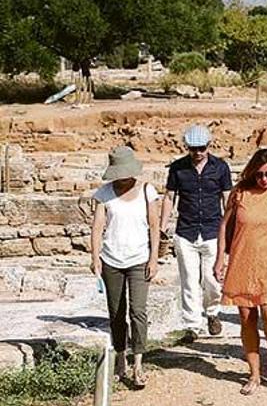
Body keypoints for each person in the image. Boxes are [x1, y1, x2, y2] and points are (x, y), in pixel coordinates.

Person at [213, 148, 267, 396]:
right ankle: (253, 374)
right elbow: (223, 226)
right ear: (252, 173)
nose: (264, 180)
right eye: (259, 174)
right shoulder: (240, 194)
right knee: (246, 319)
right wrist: (220, 258)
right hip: (242, 261)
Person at [90, 146, 160, 388]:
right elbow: (98, 227)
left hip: (139, 259)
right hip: (112, 259)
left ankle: (138, 362)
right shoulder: (104, 193)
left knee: (138, 311)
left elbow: (154, 226)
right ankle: (121, 357)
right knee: (116, 312)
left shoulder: (147, 191)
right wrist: (95, 257)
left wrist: (154, 259)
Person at [160, 125, 232, 343]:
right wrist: (162, 227)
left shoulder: (220, 167)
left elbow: (227, 198)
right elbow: (169, 198)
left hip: (212, 230)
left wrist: (230, 229)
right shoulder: (177, 168)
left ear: (209, 146)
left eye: (201, 148)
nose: (197, 153)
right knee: (189, 280)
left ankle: (212, 313)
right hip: (186, 230)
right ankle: (192, 325)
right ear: (187, 147)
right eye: (193, 149)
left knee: (212, 280)